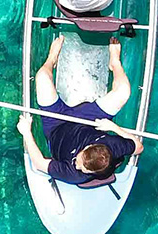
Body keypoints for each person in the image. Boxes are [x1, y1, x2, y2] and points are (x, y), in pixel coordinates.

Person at [17, 36, 145, 187]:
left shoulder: (74, 174)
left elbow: (39, 163)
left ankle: (51, 58)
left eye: (83, 168)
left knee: (42, 77)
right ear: (89, 147)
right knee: (123, 91)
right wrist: (114, 128)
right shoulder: (112, 146)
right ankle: (114, 63)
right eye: (80, 161)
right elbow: (138, 147)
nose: (77, 166)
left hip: (56, 126)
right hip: (88, 121)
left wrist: (26, 132)